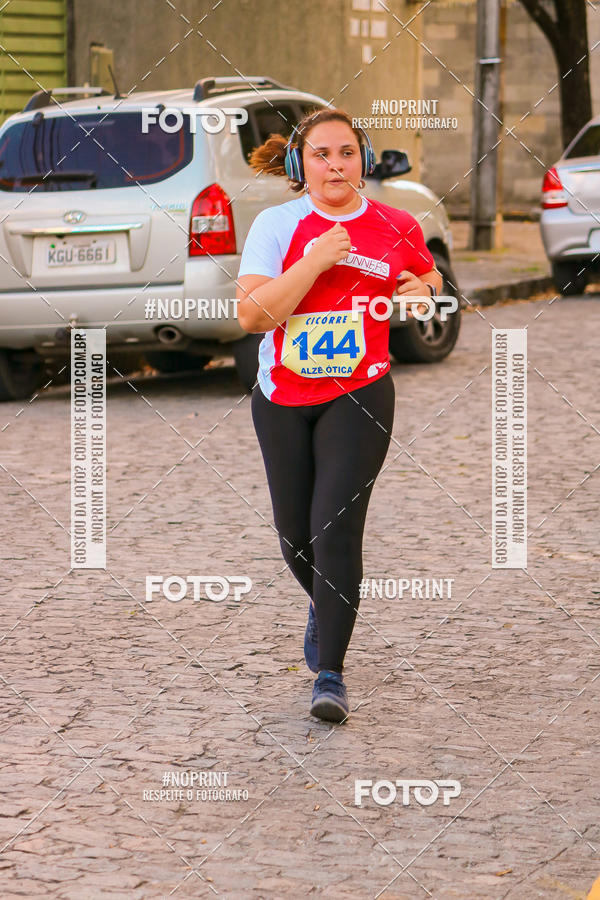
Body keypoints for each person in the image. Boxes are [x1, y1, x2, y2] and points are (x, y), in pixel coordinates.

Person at [235, 108, 442, 723]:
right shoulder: (278, 225)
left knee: (335, 530)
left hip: (360, 393)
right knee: (295, 537)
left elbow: (429, 275)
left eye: (347, 152)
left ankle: (331, 674)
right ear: (300, 165)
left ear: (364, 159)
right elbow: (252, 316)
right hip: (282, 397)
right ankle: (326, 604)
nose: (335, 165)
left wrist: (424, 291)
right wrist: (317, 260)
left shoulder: (396, 224)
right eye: (321, 154)